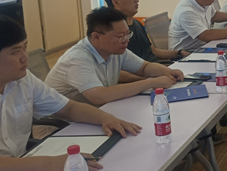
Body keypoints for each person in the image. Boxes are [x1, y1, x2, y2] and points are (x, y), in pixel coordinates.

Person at [0, 15, 141, 171]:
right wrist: (47, 164)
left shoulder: (23, 79)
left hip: (21, 170)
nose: (25, 57)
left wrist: (106, 118)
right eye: (15, 52)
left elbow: (69, 108)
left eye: (25, 47)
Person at [46, 7, 184, 106]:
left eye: (127, 34)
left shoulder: (116, 50)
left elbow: (144, 67)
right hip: (64, 124)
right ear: (96, 36)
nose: (126, 40)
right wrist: (150, 83)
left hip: (99, 110)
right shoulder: (77, 59)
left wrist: (167, 71)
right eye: (120, 36)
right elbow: (100, 96)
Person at [102, 0, 190, 63]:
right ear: (116, 2)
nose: (136, 0)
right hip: (145, 72)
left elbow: (152, 51)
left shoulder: (137, 23)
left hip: (154, 68)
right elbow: (121, 69)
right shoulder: (112, 32)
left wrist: (179, 53)